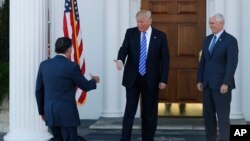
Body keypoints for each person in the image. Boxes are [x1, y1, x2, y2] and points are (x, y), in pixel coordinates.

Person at [114, 10, 170, 141]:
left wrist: (164, 79)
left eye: (142, 22)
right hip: (133, 78)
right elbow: (124, 49)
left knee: (149, 112)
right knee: (130, 111)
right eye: (137, 22)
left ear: (149, 21)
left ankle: (148, 138)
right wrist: (120, 60)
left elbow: (165, 59)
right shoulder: (130, 33)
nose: (139, 24)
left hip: (151, 79)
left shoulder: (160, 36)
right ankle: (125, 138)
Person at [35, 37, 100, 141]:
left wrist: (42, 112)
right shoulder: (71, 66)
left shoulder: (44, 65)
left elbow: (39, 90)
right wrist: (94, 80)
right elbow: (85, 86)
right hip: (66, 114)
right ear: (69, 49)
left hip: (50, 112)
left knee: (58, 139)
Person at [197, 13, 238, 141]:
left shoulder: (230, 40)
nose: (210, 26)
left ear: (221, 23)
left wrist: (226, 82)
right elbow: (203, 61)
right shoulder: (207, 39)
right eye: (210, 23)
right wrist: (199, 80)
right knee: (208, 116)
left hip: (222, 86)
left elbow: (232, 63)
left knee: (222, 116)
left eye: (212, 23)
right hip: (207, 84)